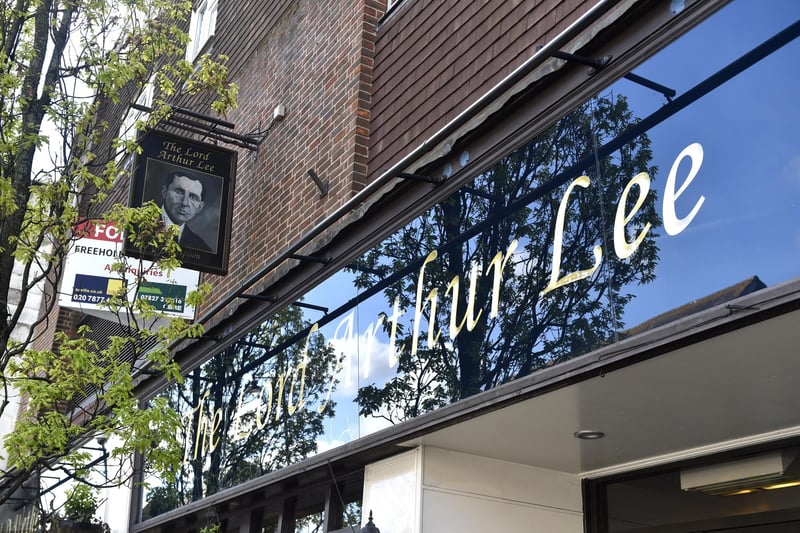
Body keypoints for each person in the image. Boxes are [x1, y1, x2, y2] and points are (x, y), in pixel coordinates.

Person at [160, 171, 213, 252]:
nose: (185, 203)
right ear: (164, 192)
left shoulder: (202, 249)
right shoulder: (138, 224)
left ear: (200, 207)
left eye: (193, 197)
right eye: (179, 192)